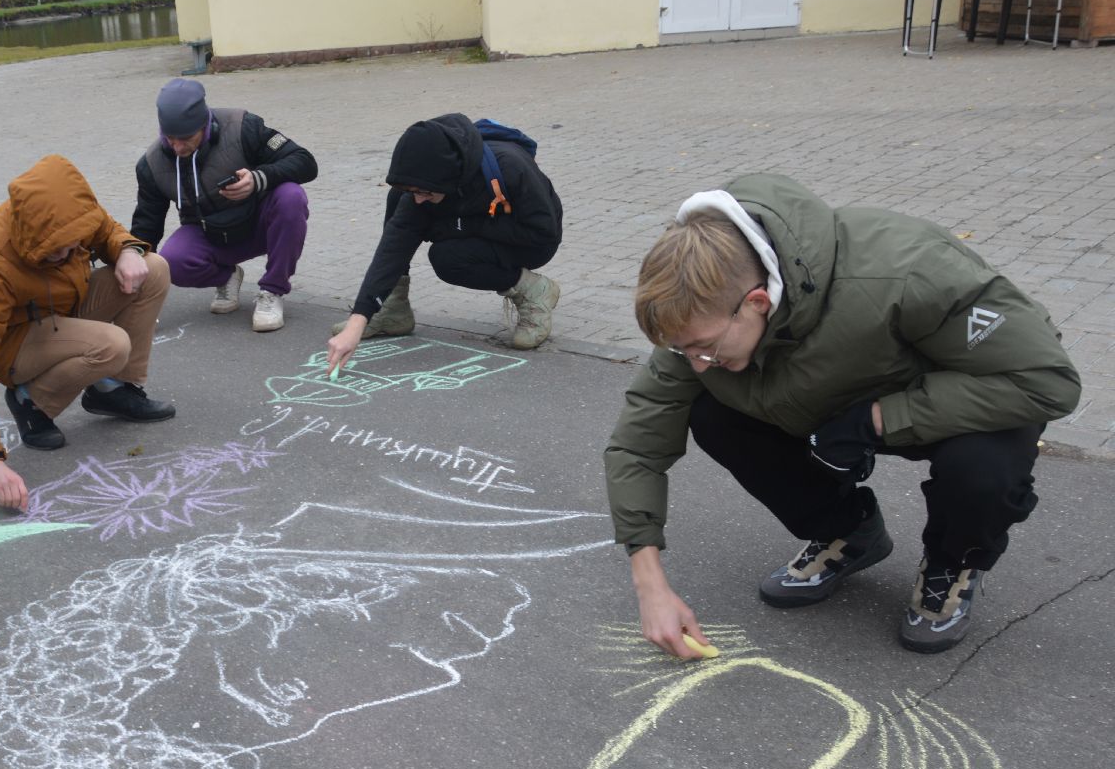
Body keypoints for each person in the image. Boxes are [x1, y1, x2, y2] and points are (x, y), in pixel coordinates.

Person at [605, 173, 1082, 657]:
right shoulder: (703, 317)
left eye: (704, 347)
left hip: (972, 395)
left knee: (982, 469)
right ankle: (848, 532)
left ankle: (952, 562)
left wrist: (874, 420)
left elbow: (1045, 380)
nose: (696, 363)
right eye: (683, 350)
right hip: (831, 400)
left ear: (756, 302)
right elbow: (638, 443)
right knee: (712, 413)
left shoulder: (908, 271)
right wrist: (650, 584)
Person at [0, 155, 175, 511]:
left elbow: (107, 231)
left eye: (74, 245)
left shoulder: (71, 212)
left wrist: (128, 250)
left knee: (153, 267)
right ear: (32, 236)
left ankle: (114, 390)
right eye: (57, 250)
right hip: (16, 343)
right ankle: (31, 401)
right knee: (112, 345)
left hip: (63, 309)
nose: (69, 252)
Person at [326, 113, 563, 367]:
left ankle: (533, 290)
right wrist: (358, 320)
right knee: (398, 198)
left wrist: (460, 226)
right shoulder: (426, 185)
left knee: (448, 259)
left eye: (425, 192)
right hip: (476, 225)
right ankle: (393, 309)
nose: (419, 199)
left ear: (448, 176)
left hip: (529, 242)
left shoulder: (510, 166)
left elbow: (543, 232)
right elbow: (393, 249)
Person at [130, 78, 317, 333]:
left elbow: (305, 161)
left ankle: (273, 290)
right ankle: (227, 277)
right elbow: (147, 226)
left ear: (204, 124)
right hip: (211, 234)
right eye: (170, 138)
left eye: (186, 138)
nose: (178, 147)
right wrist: (135, 279)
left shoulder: (243, 127)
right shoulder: (151, 164)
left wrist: (258, 179)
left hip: (260, 224)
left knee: (291, 196)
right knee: (171, 261)